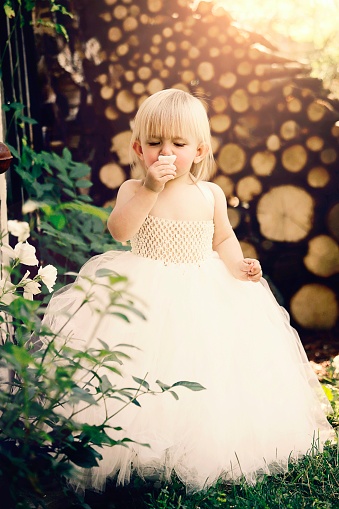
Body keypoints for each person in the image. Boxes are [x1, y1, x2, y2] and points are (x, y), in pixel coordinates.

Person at [43, 88, 334, 494]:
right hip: (144, 288)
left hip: (203, 288)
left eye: (178, 144)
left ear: (199, 150)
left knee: (209, 364)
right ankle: (137, 444)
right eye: (156, 143)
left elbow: (223, 239)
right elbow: (121, 232)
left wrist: (238, 265)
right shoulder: (133, 189)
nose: (167, 153)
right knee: (142, 363)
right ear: (138, 148)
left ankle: (203, 441)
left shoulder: (210, 194)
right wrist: (149, 188)